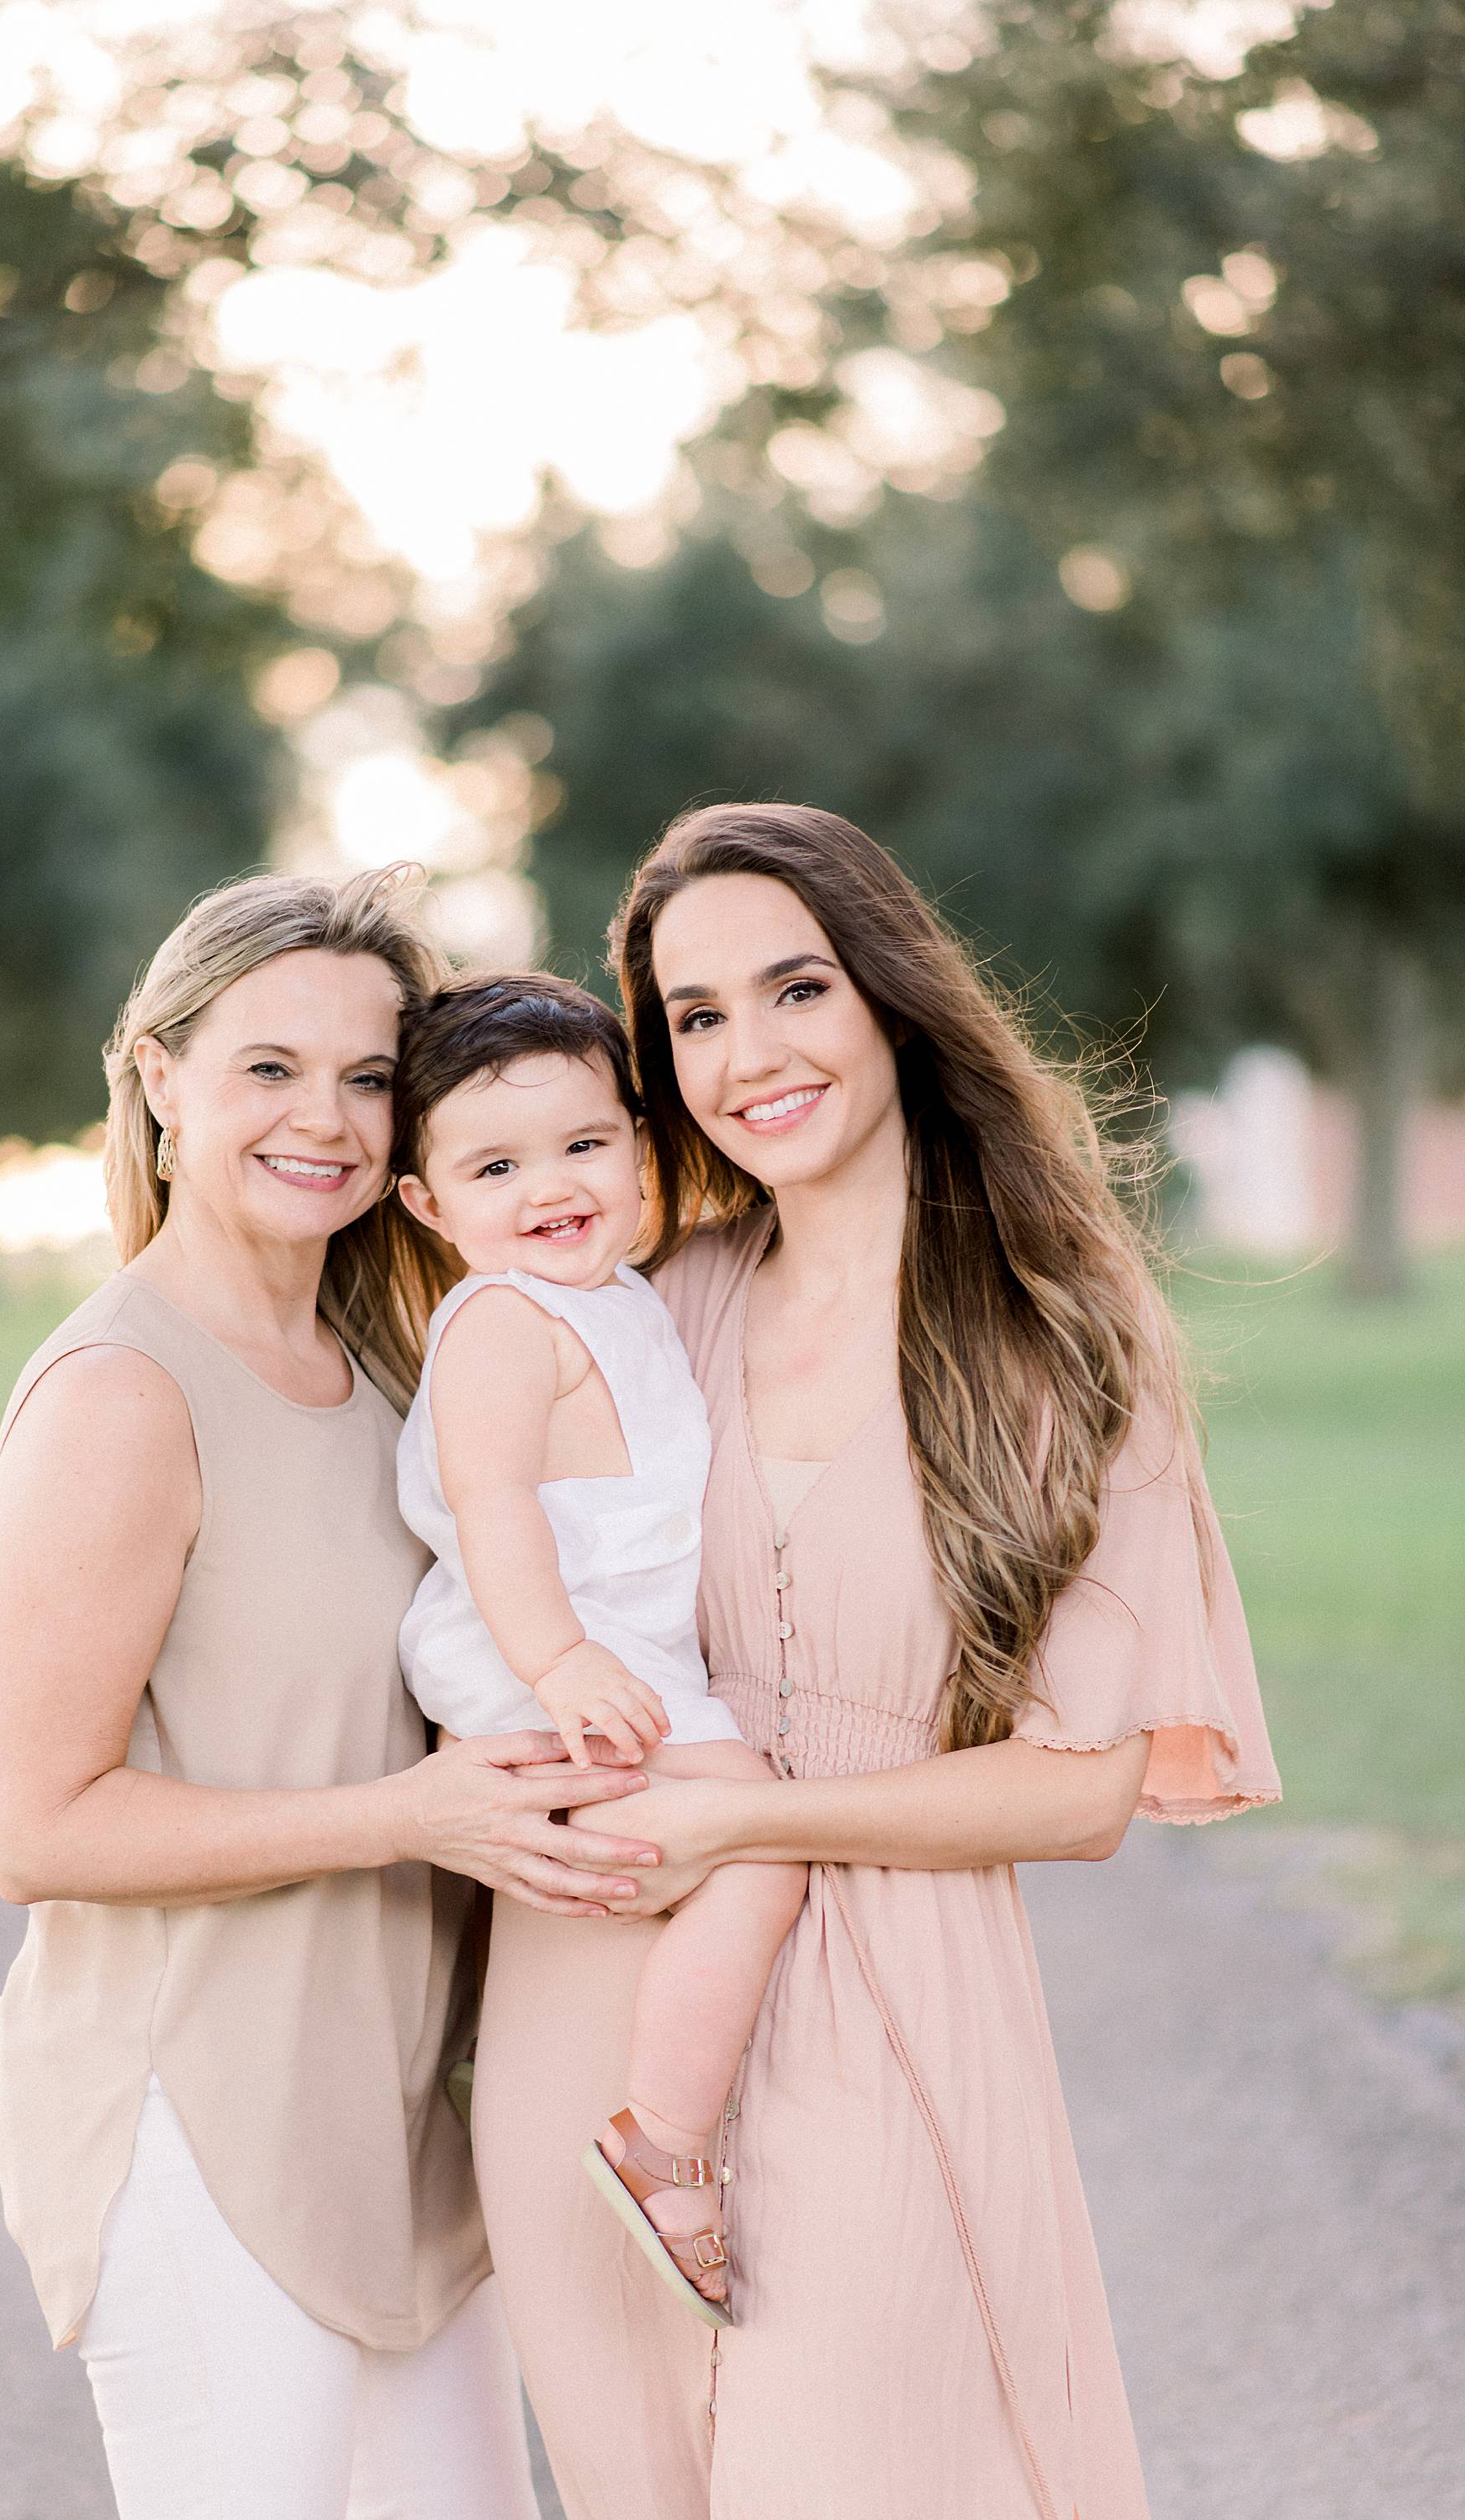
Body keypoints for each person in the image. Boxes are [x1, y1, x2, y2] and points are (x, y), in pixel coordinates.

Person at [470, 805, 1281, 2520]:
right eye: (692, 1016)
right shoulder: (641, 1305)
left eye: (793, 987)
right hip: (597, 2002)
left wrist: (739, 1830)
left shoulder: (1055, 1325)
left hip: (889, 2003)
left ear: (891, 996)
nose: (747, 1052)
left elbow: (1083, 1792)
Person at [0, 869, 664, 2520]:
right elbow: (29, 1823)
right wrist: (408, 1814)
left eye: (366, 1077)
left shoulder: (396, 1366)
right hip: (203, 2112)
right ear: (159, 1075)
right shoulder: (123, 1387)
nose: (325, 1117)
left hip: (399, 2119)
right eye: (268, 1066)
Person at [391, 973, 806, 2326]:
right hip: (542, 1662)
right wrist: (561, 1661)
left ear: (638, 1147)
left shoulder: (620, 1294)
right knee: (761, 1844)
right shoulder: (503, 1322)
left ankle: (671, 2112)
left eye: (582, 1144)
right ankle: (665, 2139)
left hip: (612, 1653)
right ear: (427, 1206)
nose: (549, 1184)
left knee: (745, 1842)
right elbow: (493, 1504)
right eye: (495, 1164)